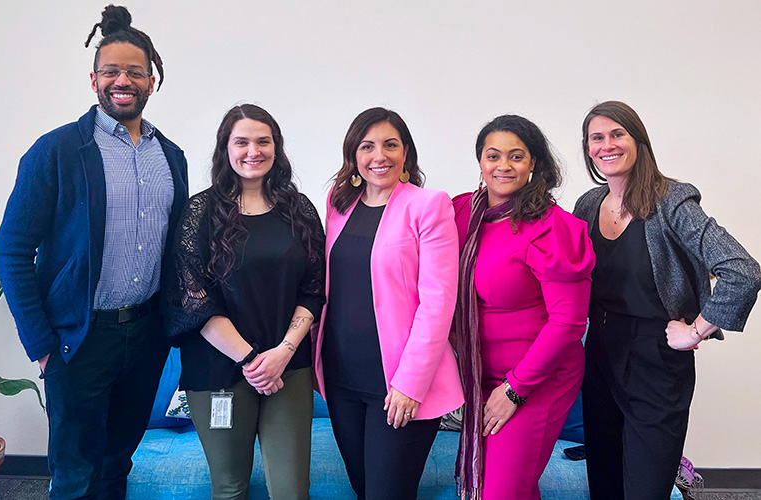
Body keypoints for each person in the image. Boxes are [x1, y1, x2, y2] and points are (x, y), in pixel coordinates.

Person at [0, 5, 188, 499]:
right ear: (94, 79)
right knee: (75, 477)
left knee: (116, 465)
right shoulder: (56, 152)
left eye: (135, 72)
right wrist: (41, 347)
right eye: (111, 71)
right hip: (78, 341)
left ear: (151, 82)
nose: (123, 80)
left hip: (146, 337)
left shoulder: (171, 158)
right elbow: (11, 251)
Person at [574, 100, 761, 500]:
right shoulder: (588, 205)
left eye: (617, 134)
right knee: (604, 481)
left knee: (646, 488)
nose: (607, 145)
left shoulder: (671, 201)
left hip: (655, 358)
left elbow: (743, 270)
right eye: (597, 138)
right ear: (588, 149)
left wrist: (696, 331)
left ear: (638, 141)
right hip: (599, 351)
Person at [165, 104, 325, 500]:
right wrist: (253, 360)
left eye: (263, 141)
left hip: (288, 366)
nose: (253, 151)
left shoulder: (300, 210)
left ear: (276, 148)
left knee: (291, 491)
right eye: (242, 142)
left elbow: (314, 289)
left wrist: (283, 352)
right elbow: (195, 300)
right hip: (218, 369)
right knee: (230, 487)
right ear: (226, 148)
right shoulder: (199, 213)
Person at [312, 107, 464, 499]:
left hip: (398, 384)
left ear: (405, 152)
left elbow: (438, 302)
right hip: (342, 379)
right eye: (367, 146)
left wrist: (410, 384)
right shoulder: (338, 203)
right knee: (363, 489)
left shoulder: (429, 205)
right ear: (354, 155)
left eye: (390, 145)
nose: (379, 156)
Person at [453, 115, 595, 500]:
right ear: (480, 162)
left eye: (516, 156)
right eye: (493, 156)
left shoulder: (553, 227)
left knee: (502, 492)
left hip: (536, 379)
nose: (503, 166)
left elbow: (568, 323)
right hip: (478, 375)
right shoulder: (461, 213)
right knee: (496, 488)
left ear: (533, 163)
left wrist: (515, 390)